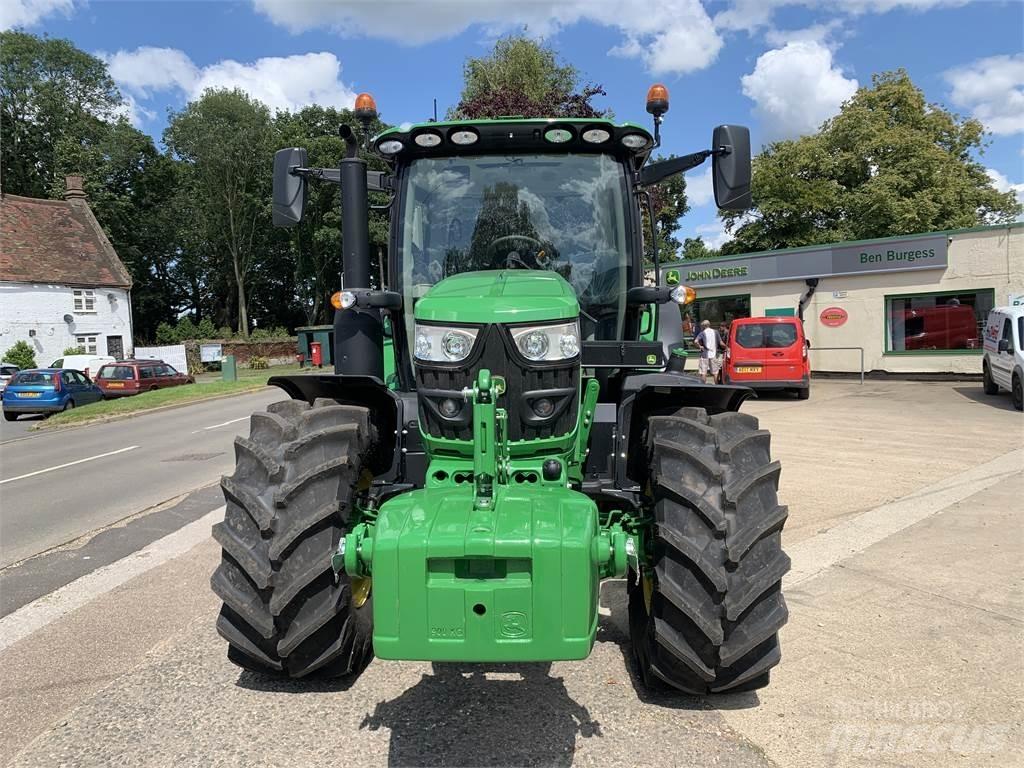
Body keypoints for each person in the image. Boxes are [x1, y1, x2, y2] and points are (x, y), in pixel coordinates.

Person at [695, 320, 721, 384]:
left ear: (703, 326)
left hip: (704, 355)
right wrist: (726, 347)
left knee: (703, 372)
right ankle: (717, 385)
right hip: (714, 354)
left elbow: (695, 341)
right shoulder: (715, 332)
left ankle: (704, 386)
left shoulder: (702, 333)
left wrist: (700, 346)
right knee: (715, 372)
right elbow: (721, 342)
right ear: (709, 325)